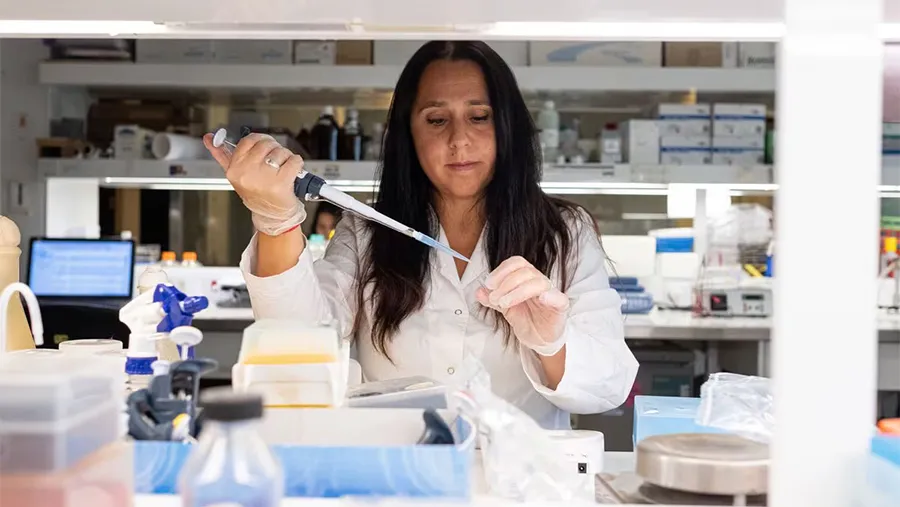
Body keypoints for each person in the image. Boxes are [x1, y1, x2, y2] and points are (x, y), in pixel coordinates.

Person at [203, 41, 638, 429]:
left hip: (521, 483)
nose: (459, 140)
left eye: (479, 116)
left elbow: (609, 386)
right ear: (408, 135)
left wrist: (551, 342)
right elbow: (296, 342)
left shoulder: (564, 233)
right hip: (397, 476)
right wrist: (276, 221)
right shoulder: (367, 232)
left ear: (509, 126)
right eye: (436, 120)